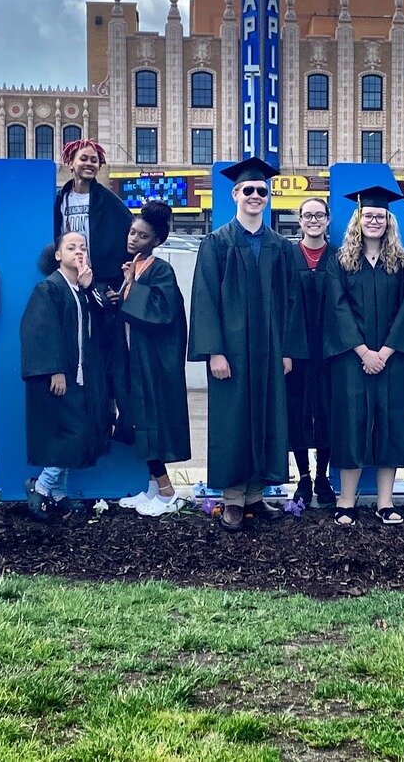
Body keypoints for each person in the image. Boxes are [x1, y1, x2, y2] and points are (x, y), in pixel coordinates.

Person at [187, 157, 306, 530]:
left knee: (267, 415)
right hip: (232, 352)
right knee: (232, 419)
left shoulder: (281, 247)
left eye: (261, 191)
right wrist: (215, 351)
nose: (256, 195)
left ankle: (255, 495)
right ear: (235, 194)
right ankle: (232, 498)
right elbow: (204, 297)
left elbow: (291, 302)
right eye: (248, 190)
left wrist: (288, 350)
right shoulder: (217, 243)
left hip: (270, 349)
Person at [322, 184, 404, 526]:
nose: (374, 221)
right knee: (351, 424)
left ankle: (385, 502)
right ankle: (346, 501)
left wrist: (384, 351)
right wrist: (363, 351)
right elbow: (336, 309)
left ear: (389, 221)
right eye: (368, 215)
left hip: (392, 359)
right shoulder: (341, 262)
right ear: (358, 219)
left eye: (380, 216)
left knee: (389, 424)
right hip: (352, 359)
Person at [21, 232, 112, 520]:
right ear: (58, 255)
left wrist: (90, 287)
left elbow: (106, 319)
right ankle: (43, 487)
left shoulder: (82, 289)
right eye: (71, 247)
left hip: (84, 376)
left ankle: (59, 494)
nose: (79, 252)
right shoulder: (49, 288)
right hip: (62, 377)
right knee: (72, 434)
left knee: (76, 433)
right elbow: (40, 332)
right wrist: (55, 370)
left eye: (83, 247)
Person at [111, 201, 191, 515]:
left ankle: (168, 492)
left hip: (153, 362)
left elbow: (162, 312)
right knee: (138, 420)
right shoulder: (136, 265)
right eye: (132, 232)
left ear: (155, 240)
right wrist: (125, 288)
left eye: (142, 236)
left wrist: (131, 287)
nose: (133, 238)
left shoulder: (160, 268)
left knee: (149, 422)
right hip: (134, 357)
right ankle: (152, 489)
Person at [286, 196, 336, 506]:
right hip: (297, 351)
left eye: (319, 215)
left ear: (328, 219)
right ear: (300, 220)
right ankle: (303, 477)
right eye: (307, 215)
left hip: (330, 350)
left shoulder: (340, 257)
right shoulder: (287, 256)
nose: (313, 220)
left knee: (328, 413)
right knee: (298, 413)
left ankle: (322, 477)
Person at [53, 138, 133, 295]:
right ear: (70, 163)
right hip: (66, 278)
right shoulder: (60, 199)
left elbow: (130, 233)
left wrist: (118, 284)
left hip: (100, 282)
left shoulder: (109, 200)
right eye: (83, 159)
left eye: (94, 160)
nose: (89, 163)